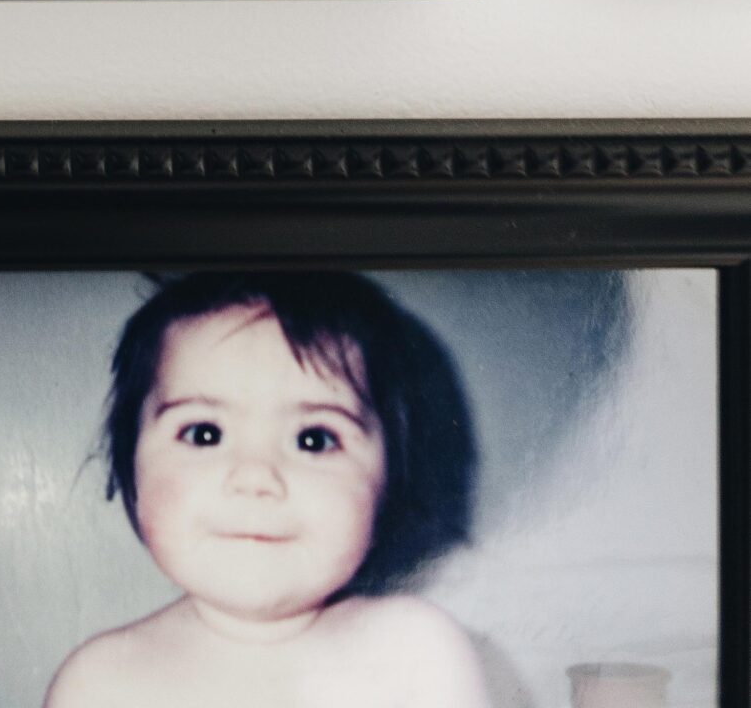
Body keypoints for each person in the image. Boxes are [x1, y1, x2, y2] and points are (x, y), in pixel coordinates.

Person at [45, 270, 491, 708]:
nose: (256, 477)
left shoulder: (418, 656)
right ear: (131, 470)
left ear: (388, 486)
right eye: (204, 433)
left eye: (313, 439)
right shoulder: (98, 684)